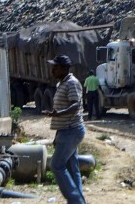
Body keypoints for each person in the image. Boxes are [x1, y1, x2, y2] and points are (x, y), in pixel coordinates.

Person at [42, 55, 87, 204]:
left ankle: (75, 201)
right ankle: (78, 200)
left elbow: (75, 105)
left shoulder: (72, 83)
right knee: (72, 168)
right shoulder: (61, 84)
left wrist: (58, 114)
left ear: (64, 69)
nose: (52, 69)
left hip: (72, 130)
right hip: (65, 131)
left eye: (55, 67)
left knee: (56, 165)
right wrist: (57, 136)